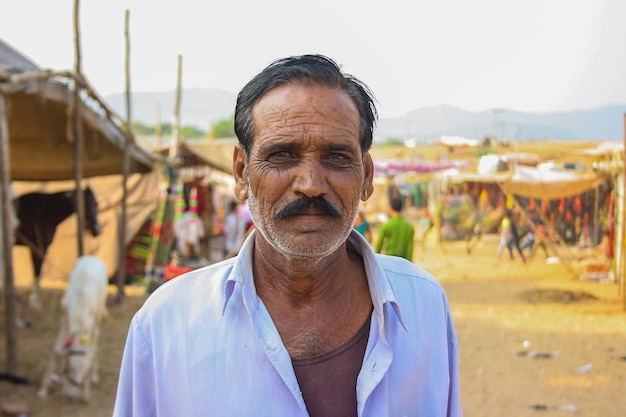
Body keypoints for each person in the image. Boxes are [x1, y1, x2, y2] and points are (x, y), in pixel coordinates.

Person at [113, 54, 462, 417]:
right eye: (282, 155)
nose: (310, 185)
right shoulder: (166, 323)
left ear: (367, 176)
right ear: (240, 173)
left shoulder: (425, 307)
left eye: (337, 157)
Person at [375, 194, 415, 261]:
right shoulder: (409, 227)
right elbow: (409, 250)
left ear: (390, 208)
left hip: (389, 260)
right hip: (403, 261)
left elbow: (379, 245)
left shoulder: (386, 225)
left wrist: (375, 260)